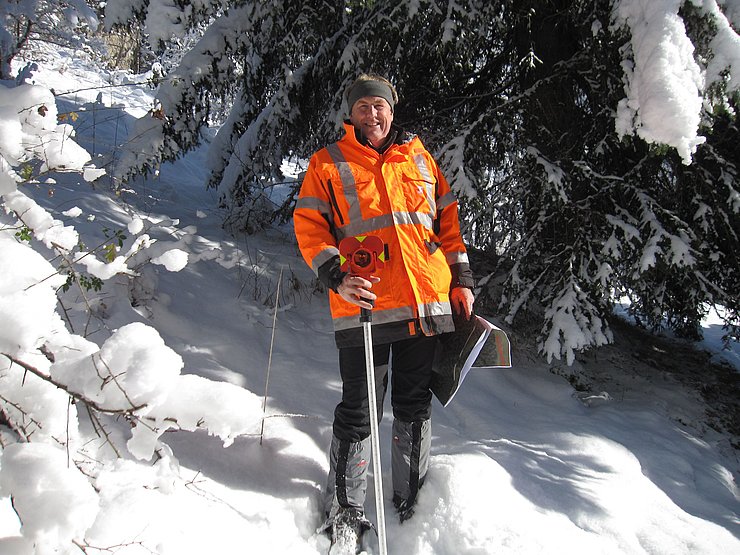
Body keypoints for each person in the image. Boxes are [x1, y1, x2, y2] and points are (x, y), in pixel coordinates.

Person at [293, 73, 475, 544]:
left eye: (380, 106)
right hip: (364, 307)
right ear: (349, 114)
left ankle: (410, 502)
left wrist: (463, 280)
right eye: (362, 107)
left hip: (422, 306)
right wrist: (335, 275)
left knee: (413, 406)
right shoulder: (327, 163)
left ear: (392, 111)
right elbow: (310, 226)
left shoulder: (419, 158)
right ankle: (348, 508)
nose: (372, 115)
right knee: (358, 410)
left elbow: (447, 223)